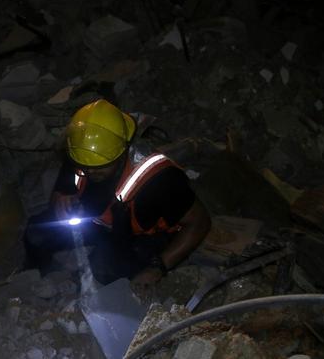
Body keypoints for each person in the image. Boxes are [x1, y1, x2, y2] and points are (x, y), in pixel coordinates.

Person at [24, 99, 211, 286]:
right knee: (36, 232)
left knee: (105, 272)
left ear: (122, 152)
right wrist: (62, 196)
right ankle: (33, 282)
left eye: (100, 166)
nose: (90, 172)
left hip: (143, 236)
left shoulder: (160, 180)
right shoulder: (82, 154)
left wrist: (158, 267)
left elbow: (199, 222)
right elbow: (66, 179)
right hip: (100, 221)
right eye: (85, 166)